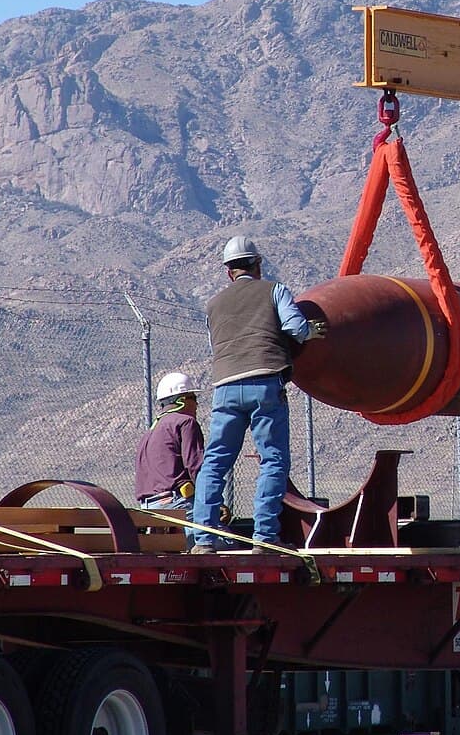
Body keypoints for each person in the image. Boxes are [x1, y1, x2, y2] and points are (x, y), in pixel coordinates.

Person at [190, 236, 326, 553]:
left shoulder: (213, 305)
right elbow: (295, 328)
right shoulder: (274, 291)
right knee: (273, 461)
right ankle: (264, 538)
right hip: (265, 384)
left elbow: (216, 346)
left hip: (225, 388)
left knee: (214, 463)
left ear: (228, 272)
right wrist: (312, 332)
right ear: (258, 265)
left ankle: (203, 539)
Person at [135, 371, 205, 544]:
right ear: (182, 400)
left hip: (149, 509)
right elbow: (196, 466)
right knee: (225, 543)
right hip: (178, 505)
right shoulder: (186, 422)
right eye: (194, 398)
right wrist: (214, 502)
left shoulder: (150, 431)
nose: (196, 405)